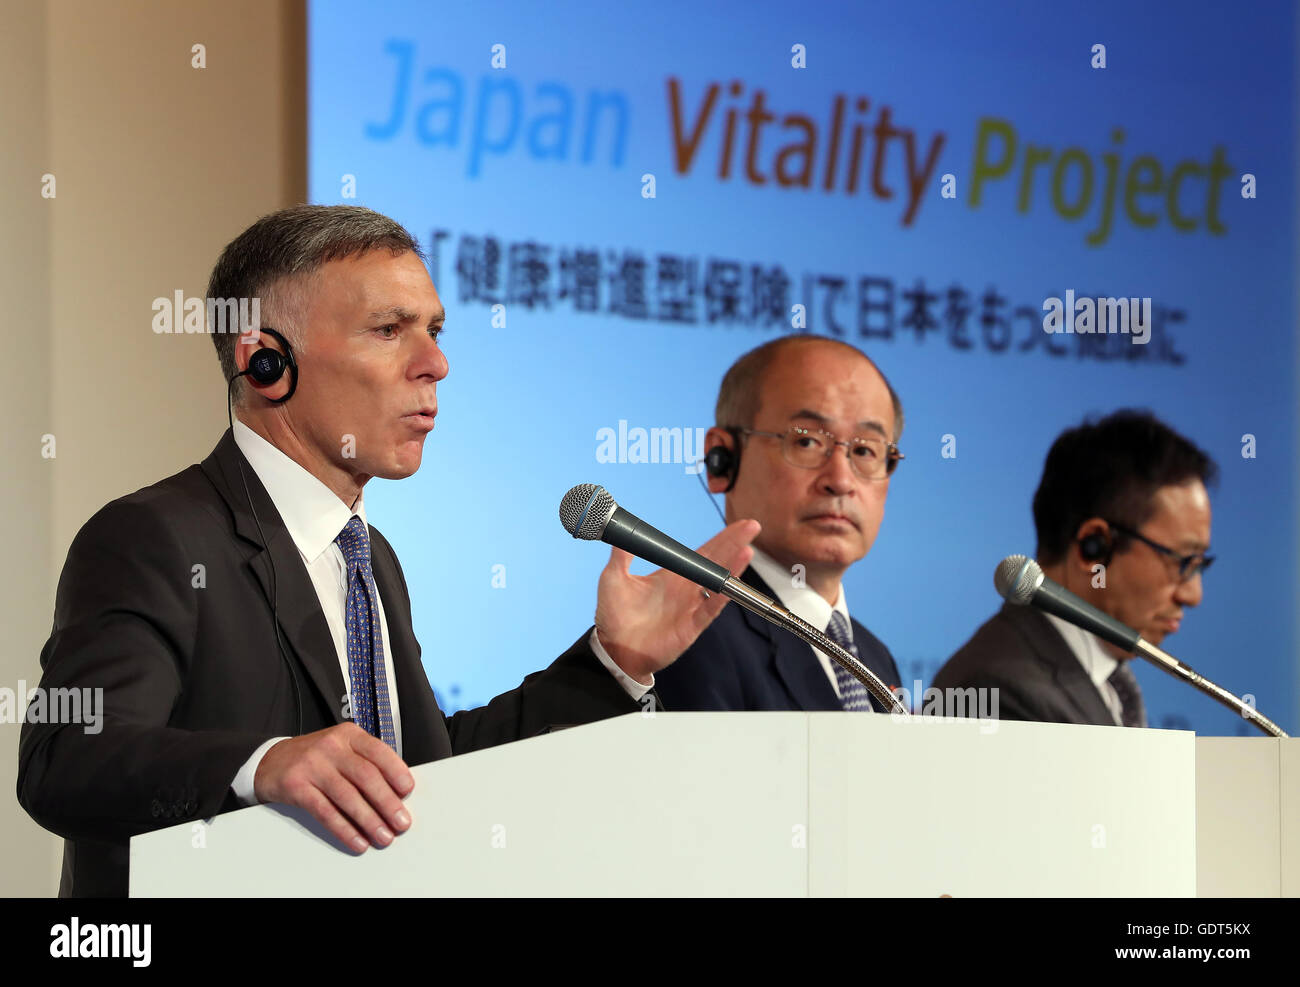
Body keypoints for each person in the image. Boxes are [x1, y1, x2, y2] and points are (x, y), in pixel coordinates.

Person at [17, 204, 758, 896]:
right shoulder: (158, 536)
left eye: (436, 330)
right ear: (266, 361)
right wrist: (261, 764)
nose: (435, 363)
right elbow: (66, 759)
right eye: (389, 329)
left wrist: (612, 663)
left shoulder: (371, 558)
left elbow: (415, 775)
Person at [654, 336, 903, 712]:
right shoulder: (690, 635)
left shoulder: (873, 657)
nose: (841, 480)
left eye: (865, 450)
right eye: (807, 442)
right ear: (722, 458)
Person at [932, 409, 1215, 727]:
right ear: (1094, 547)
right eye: (1183, 562)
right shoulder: (998, 688)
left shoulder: (1108, 679)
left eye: (1201, 565)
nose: (1193, 595)